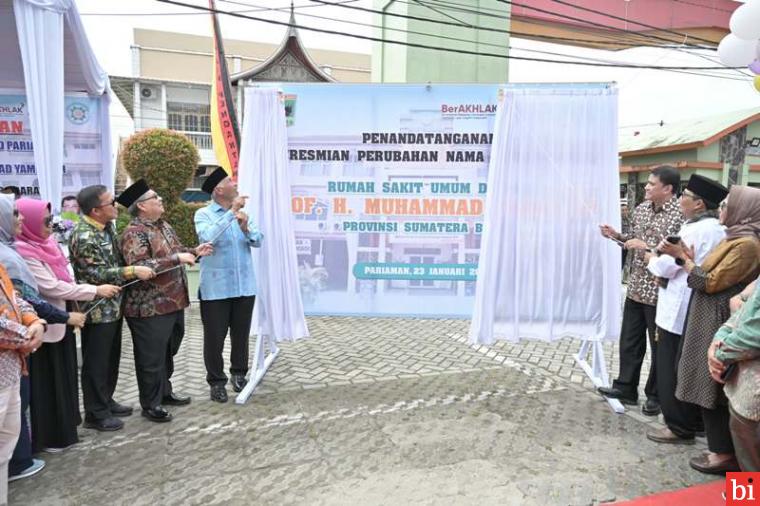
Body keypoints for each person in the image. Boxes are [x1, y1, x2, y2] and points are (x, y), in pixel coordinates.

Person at [661, 185, 760, 474]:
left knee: (747, 449)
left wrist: (723, 349)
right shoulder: (733, 239)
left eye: (727, 205)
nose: (721, 209)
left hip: (745, 372)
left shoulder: (747, 246)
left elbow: (710, 283)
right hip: (722, 333)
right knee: (744, 440)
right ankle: (739, 486)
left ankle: (734, 475)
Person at [15, 198, 120, 452]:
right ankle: (50, 438)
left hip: (62, 321)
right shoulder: (24, 251)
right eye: (45, 222)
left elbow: (65, 276)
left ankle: (65, 432)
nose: (51, 226)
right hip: (46, 326)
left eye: (52, 220)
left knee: (64, 379)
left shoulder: (46, 244)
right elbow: (49, 287)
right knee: (49, 386)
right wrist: (94, 290)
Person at [0, 196, 84, 481]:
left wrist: (36, 321)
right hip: (25, 340)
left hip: (36, 332)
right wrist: (35, 325)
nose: (21, 221)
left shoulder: (27, 247)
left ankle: (28, 453)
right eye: (14, 214)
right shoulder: (16, 252)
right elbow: (35, 293)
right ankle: (25, 456)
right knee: (33, 397)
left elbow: (18, 299)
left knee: (28, 401)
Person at [118, 180, 212, 422]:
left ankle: (164, 391)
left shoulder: (164, 226)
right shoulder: (133, 233)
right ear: (141, 206)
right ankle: (151, 404)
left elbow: (178, 250)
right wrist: (177, 258)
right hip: (149, 307)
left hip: (173, 302)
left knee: (167, 352)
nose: (160, 200)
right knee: (151, 358)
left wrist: (194, 250)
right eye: (155, 198)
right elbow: (139, 266)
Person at [645, 175, 727, 445]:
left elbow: (667, 266)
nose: (680, 201)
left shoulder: (693, 231)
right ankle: (694, 422)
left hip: (677, 307)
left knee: (670, 368)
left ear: (699, 204)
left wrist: (651, 259)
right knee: (692, 367)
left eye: (685, 197)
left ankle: (678, 426)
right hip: (700, 309)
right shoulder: (720, 229)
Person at [598, 166, 684, 415]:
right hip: (636, 288)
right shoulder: (641, 209)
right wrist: (615, 236)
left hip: (661, 292)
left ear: (667, 188)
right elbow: (632, 241)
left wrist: (645, 245)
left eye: (651, 184)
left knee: (659, 349)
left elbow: (680, 254)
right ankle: (625, 387)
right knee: (630, 342)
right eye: (647, 183)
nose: (646, 187)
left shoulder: (680, 215)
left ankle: (656, 395)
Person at [69, 185, 155, 432]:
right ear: (96, 210)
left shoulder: (106, 228)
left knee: (110, 358)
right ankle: (95, 413)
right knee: (96, 362)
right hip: (97, 308)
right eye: (110, 202)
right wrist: (132, 271)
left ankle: (106, 400)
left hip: (114, 305)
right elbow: (93, 273)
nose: (115, 205)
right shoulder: (84, 235)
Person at [195, 167, 262, 403]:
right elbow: (208, 238)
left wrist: (245, 228)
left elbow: (257, 240)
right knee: (215, 337)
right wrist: (231, 212)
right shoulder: (203, 215)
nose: (235, 184)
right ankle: (216, 381)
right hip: (216, 287)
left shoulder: (244, 214)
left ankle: (239, 374)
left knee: (241, 334)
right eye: (229, 181)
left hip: (244, 285)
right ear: (218, 189)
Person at [0, 262, 44, 505]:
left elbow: (12, 297)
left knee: (4, 450)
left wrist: (33, 321)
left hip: (11, 371)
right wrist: (26, 334)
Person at [709, 279, 760, 471]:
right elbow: (744, 306)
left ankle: (745, 500)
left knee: (749, 460)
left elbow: (755, 332)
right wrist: (719, 341)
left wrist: (720, 353)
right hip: (746, 387)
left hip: (753, 394)